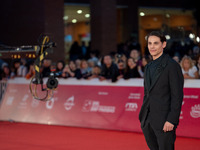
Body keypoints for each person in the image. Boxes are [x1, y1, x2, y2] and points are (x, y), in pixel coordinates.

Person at [139, 31, 184, 150]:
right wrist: (143, 118)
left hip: (165, 121)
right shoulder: (148, 67)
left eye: (156, 43)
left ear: (163, 45)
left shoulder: (172, 66)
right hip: (147, 120)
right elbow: (147, 93)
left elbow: (177, 96)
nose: (152, 46)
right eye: (150, 43)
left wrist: (171, 120)